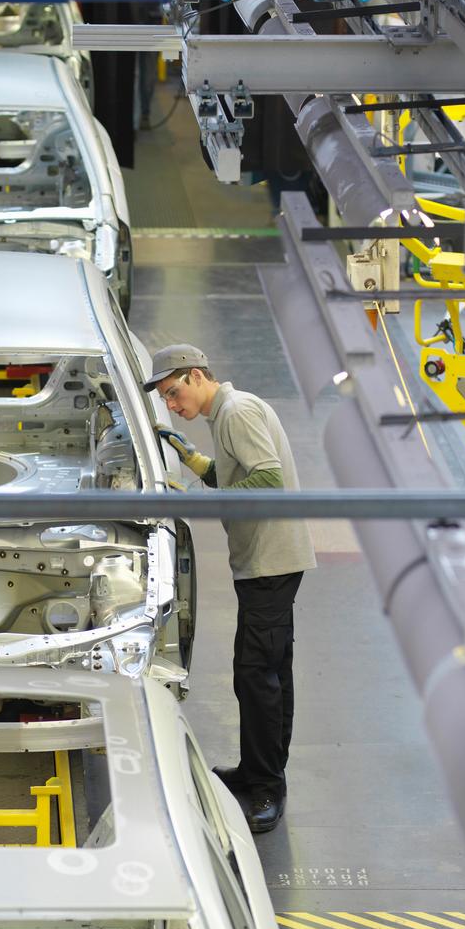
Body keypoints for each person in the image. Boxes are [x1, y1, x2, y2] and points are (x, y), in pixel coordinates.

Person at [144, 344, 315, 834]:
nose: (174, 405)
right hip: (264, 560)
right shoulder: (226, 413)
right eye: (166, 400)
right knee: (267, 669)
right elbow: (235, 472)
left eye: (175, 394)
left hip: (271, 561)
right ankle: (261, 770)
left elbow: (267, 480)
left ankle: (266, 788)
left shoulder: (236, 412)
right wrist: (191, 458)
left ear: (197, 375)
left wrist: (202, 498)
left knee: (256, 673)